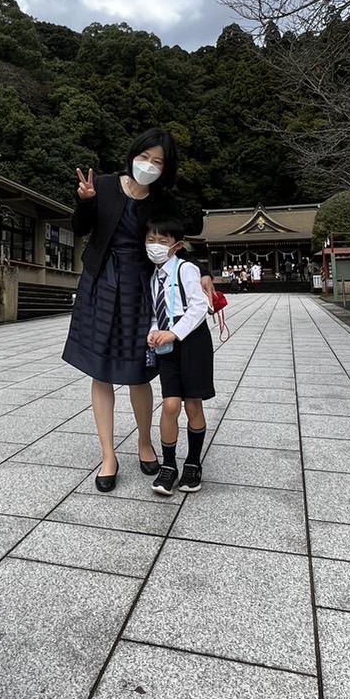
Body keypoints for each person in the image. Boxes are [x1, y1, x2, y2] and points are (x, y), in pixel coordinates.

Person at [62, 128, 180, 491]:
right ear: (133, 154)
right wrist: (85, 201)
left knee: (139, 370)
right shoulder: (107, 184)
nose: (148, 165)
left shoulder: (162, 201)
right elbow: (80, 228)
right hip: (100, 281)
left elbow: (174, 242)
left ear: (166, 168)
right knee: (101, 370)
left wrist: (199, 276)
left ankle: (145, 443)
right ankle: (108, 454)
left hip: (139, 286)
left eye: (157, 161)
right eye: (144, 157)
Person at [145, 213, 215, 495]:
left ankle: (193, 464)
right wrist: (153, 330)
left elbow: (199, 307)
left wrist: (174, 332)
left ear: (176, 246)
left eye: (163, 240)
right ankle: (169, 465)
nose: (156, 245)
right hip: (166, 343)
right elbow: (154, 312)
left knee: (193, 404)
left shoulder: (186, 269)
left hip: (192, 341)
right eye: (151, 240)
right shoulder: (152, 277)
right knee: (170, 404)